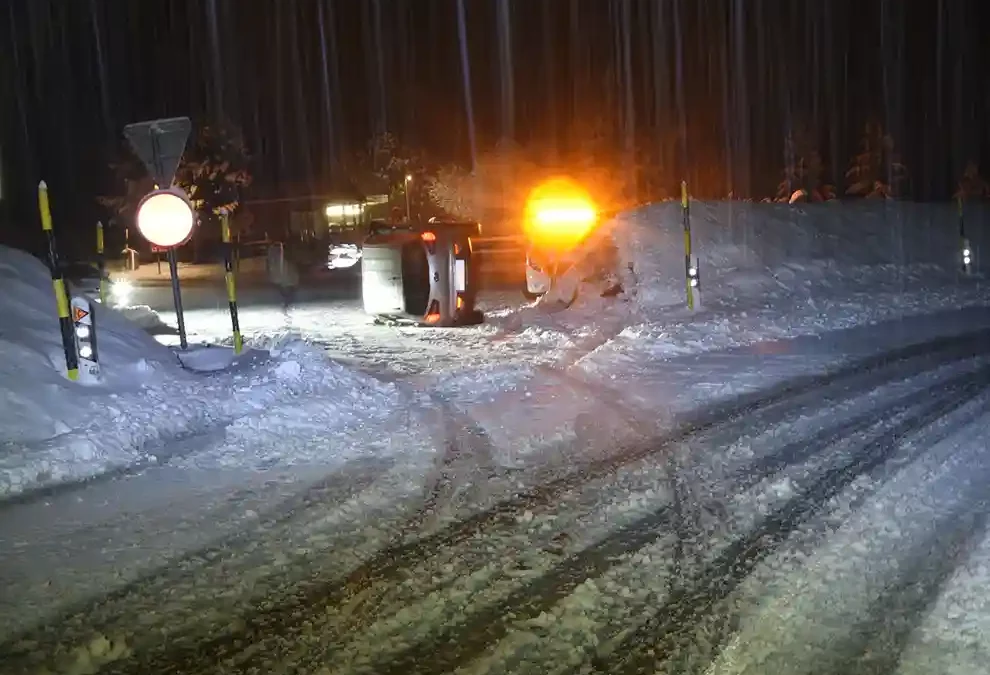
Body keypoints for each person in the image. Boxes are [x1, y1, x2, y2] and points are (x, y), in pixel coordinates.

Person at [267, 243, 300, 313]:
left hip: (286, 280)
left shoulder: (284, 262)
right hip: (285, 280)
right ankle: (286, 304)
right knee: (287, 291)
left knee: (287, 291)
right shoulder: (280, 261)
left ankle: (286, 304)